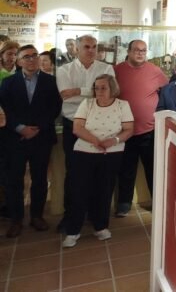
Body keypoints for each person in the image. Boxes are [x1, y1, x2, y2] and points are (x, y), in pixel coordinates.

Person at [62, 74, 134, 248]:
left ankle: (101, 227)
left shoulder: (122, 105)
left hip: (112, 154)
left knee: (104, 190)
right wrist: (96, 141)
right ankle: (73, 231)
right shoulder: (87, 104)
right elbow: (77, 128)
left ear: (112, 89)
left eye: (103, 87)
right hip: (84, 152)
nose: (99, 91)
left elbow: (128, 129)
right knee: (79, 191)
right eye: (96, 87)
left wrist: (114, 141)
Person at [0, 45, 62, 237]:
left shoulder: (50, 81)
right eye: (26, 56)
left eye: (34, 55)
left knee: (40, 179)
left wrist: (37, 128)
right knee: (14, 181)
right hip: (15, 139)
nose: (32, 59)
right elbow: (4, 109)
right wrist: (21, 128)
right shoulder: (8, 82)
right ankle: (16, 219)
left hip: (41, 138)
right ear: (19, 61)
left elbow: (55, 107)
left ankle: (37, 216)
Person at [55, 35, 115, 232]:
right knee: (74, 173)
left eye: (94, 46)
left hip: (100, 126)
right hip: (73, 126)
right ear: (77, 49)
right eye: (87, 47)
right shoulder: (64, 70)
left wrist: (78, 91)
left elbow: (108, 93)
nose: (91, 50)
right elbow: (65, 95)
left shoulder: (106, 69)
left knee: (99, 173)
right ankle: (71, 216)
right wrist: (93, 91)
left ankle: (95, 216)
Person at [114, 40, 168, 217]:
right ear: (128, 51)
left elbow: (167, 92)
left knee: (152, 169)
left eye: (143, 51)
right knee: (125, 169)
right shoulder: (117, 70)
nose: (140, 53)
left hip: (149, 131)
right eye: (137, 50)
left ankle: (157, 202)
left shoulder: (155, 71)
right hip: (124, 131)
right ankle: (124, 204)